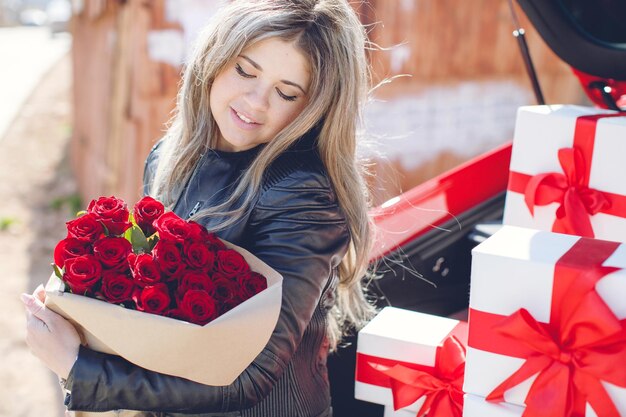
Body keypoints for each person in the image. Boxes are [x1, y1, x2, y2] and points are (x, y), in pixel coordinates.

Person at [22, 0, 376, 416]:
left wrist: (79, 368)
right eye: (245, 70)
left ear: (313, 109)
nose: (256, 101)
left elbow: (251, 376)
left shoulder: (302, 194)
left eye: (286, 92)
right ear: (214, 58)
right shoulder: (169, 156)